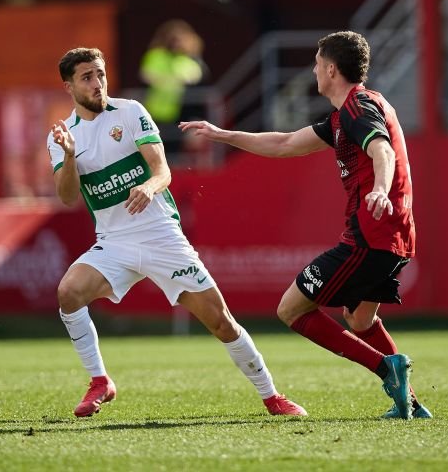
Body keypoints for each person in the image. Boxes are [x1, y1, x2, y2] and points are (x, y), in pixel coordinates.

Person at [180, 31, 431, 420]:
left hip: (370, 234)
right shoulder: (351, 113)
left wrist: (380, 188)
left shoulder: (357, 107)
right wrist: (222, 134)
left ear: (331, 69)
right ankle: (410, 403)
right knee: (360, 319)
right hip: (394, 236)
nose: (313, 70)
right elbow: (283, 144)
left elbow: (380, 147)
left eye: (317, 63)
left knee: (292, 309)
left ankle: (387, 368)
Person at [47, 47, 306, 418]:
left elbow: (163, 171)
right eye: (87, 77)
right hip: (114, 243)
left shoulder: (131, 112)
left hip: (159, 234)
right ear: (69, 86)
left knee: (221, 322)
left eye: (100, 74)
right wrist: (70, 156)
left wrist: (149, 187)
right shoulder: (62, 137)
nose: (97, 83)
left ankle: (272, 396)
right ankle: (100, 381)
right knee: (69, 292)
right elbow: (68, 197)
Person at [139, 20, 207, 156]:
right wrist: (169, 81)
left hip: (183, 113)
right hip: (157, 112)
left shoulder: (189, 60)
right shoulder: (156, 55)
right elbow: (147, 75)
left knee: (177, 153)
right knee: (158, 151)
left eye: (180, 40)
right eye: (173, 40)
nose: (177, 44)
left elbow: (195, 77)